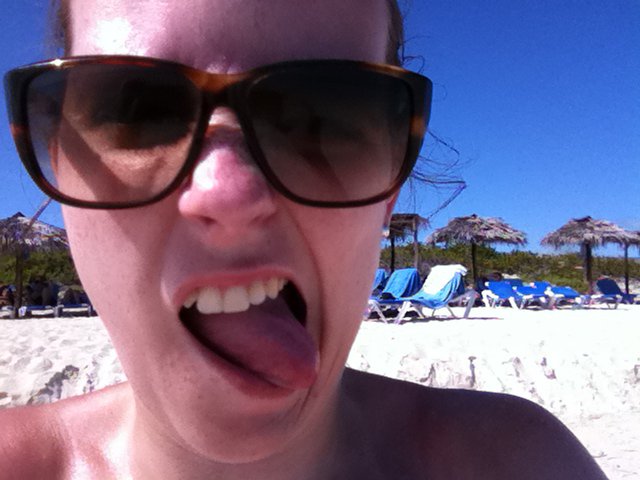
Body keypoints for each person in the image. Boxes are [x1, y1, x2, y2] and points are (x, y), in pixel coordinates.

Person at [0, 1, 608, 478]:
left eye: (323, 117)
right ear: (60, 165)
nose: (227, 193)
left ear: (389, 188)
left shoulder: (519, 463)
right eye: (134, 110)